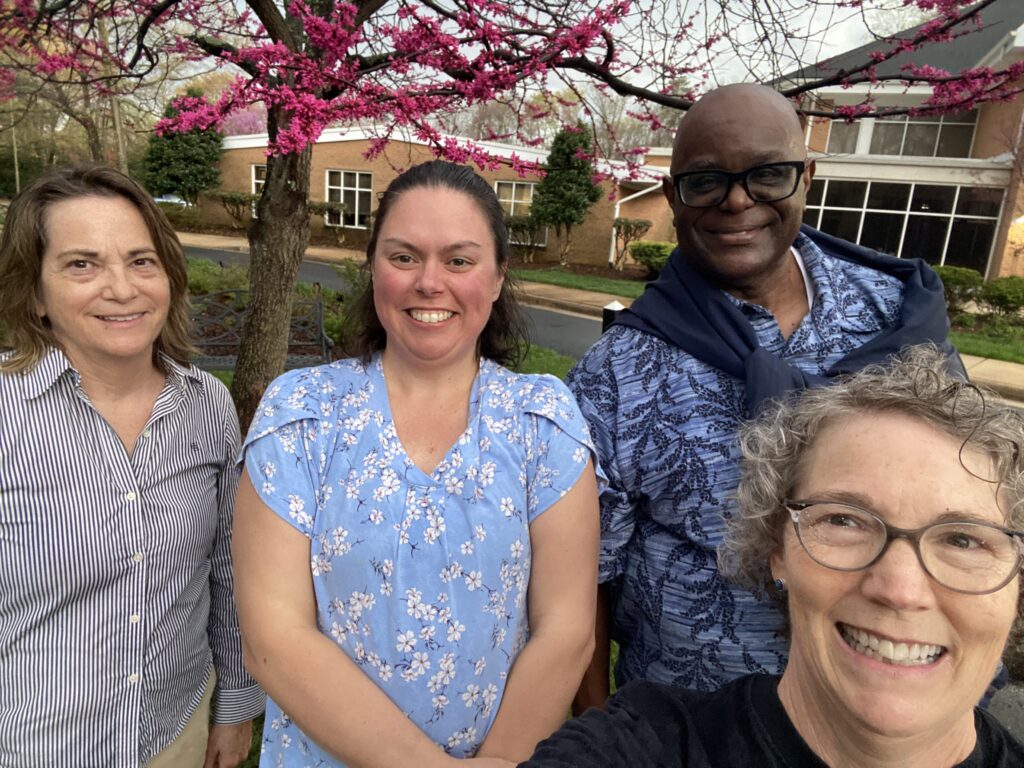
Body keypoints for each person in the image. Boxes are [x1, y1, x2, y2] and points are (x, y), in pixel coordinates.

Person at [569, 82, 962, 708]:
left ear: (806, 176)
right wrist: (597, 728)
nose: (736, 201)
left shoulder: (898, 325)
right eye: (705, 182)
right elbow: (582, 577)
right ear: (672, 198)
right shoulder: (619, 369)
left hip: (881, 706)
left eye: (767, 175)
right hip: (686, 728)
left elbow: (965, 518)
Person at [232, 160, 601, 767]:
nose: (430, 282)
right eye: (404, 257)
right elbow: (275, 637)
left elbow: (565, 629)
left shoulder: (541, 420)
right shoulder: (303, 413)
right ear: (373, 267)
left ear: (498, 277)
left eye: (459, 260)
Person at [525, 345, 1024, 767]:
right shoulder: (644, 745)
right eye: (844, 520)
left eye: (963, 539)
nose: (899, 589)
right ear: (776, 548)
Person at [0, 165, 262, 767]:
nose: (122, 288)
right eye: (81, 264)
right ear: (36, 294)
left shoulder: (206, 406)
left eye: (141, 261)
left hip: (175, 733)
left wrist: (235, 705)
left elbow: (226, 566)